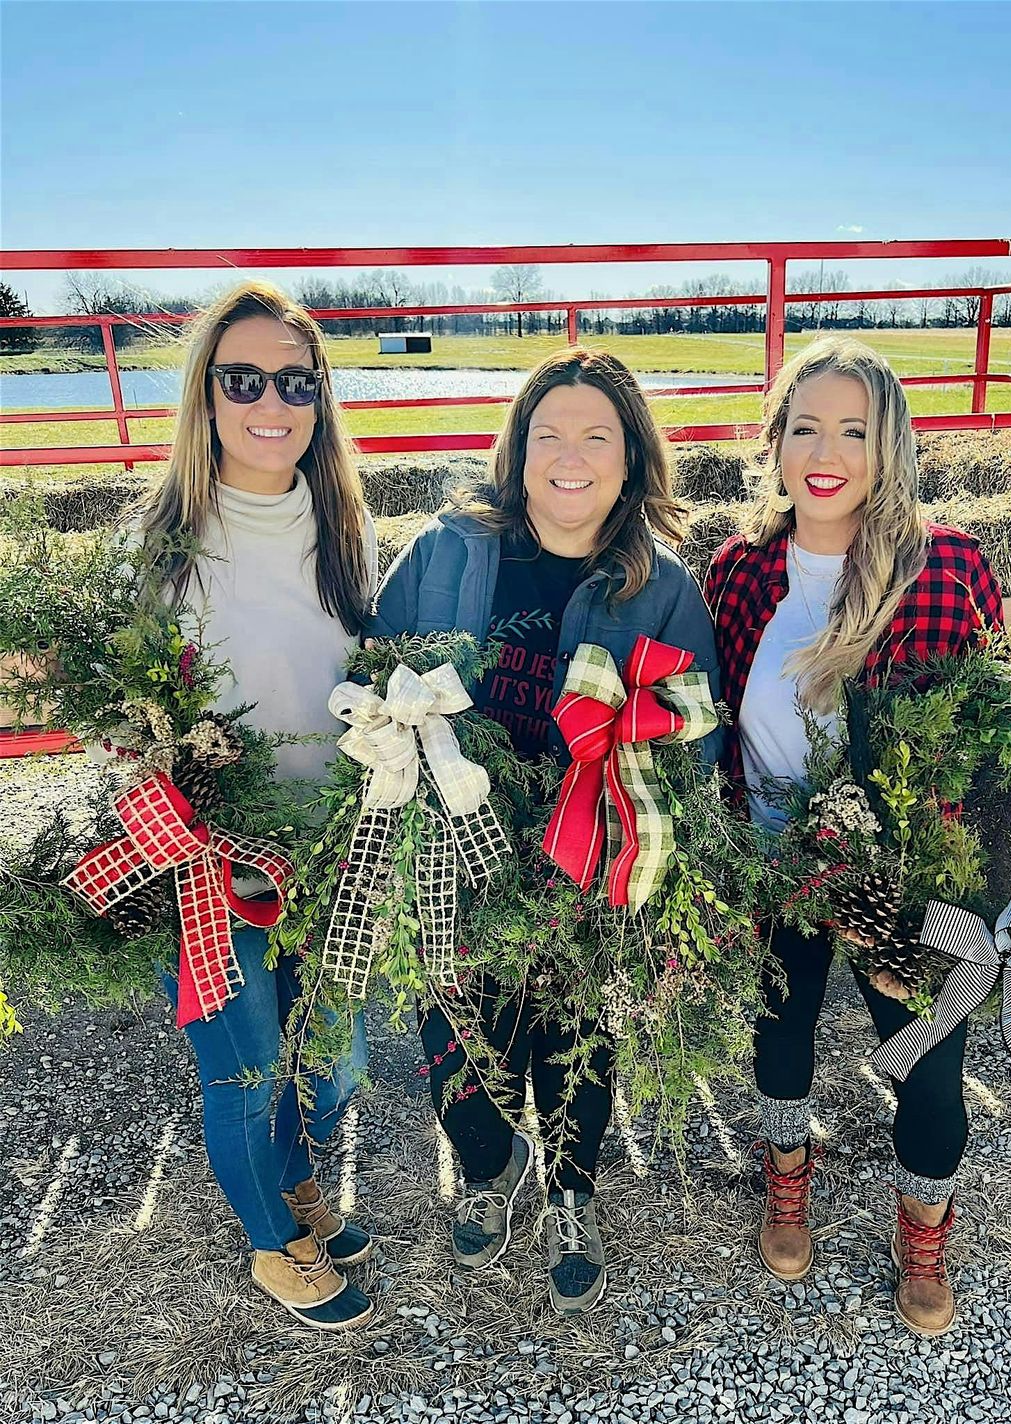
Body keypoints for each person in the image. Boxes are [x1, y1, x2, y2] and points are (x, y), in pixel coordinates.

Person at [371, 347, 720, 1315]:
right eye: (548, 433)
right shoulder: (449, 548)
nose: (571, 456)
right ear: (518, 450)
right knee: (458, 1038)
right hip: (451, 851)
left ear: (631, 459)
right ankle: (488, 1166)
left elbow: (694, 729)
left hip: (584, 867)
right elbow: (374, 670)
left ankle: (571, 1189)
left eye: (596, 435)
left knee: (578, 1037)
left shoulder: (663, 586)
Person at [704, 336, 1003, 1337]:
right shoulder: (740, 569)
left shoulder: (945, 562)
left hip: (901, 870)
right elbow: (707, 714)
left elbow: (992, 727)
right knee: (778, 1037)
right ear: (777, 442)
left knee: (924, 1057)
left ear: (890, 444)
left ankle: (923, 1226)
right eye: (804, 426)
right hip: (773, 854)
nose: (824, 449)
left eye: (852, 429)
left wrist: (970, 860)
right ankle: (789, 1171)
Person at [138, 280, 378, 1329]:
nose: (270, 402)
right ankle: (276, 1243)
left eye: (295, 380)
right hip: (210, 862)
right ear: (206, 394)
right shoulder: (159, 550)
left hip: (331, 856)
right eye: (244, 379)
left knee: (328, 1054)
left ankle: (294, 1182)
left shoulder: (348, 538)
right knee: (244, 1065)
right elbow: (125, 731)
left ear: (321, 398)